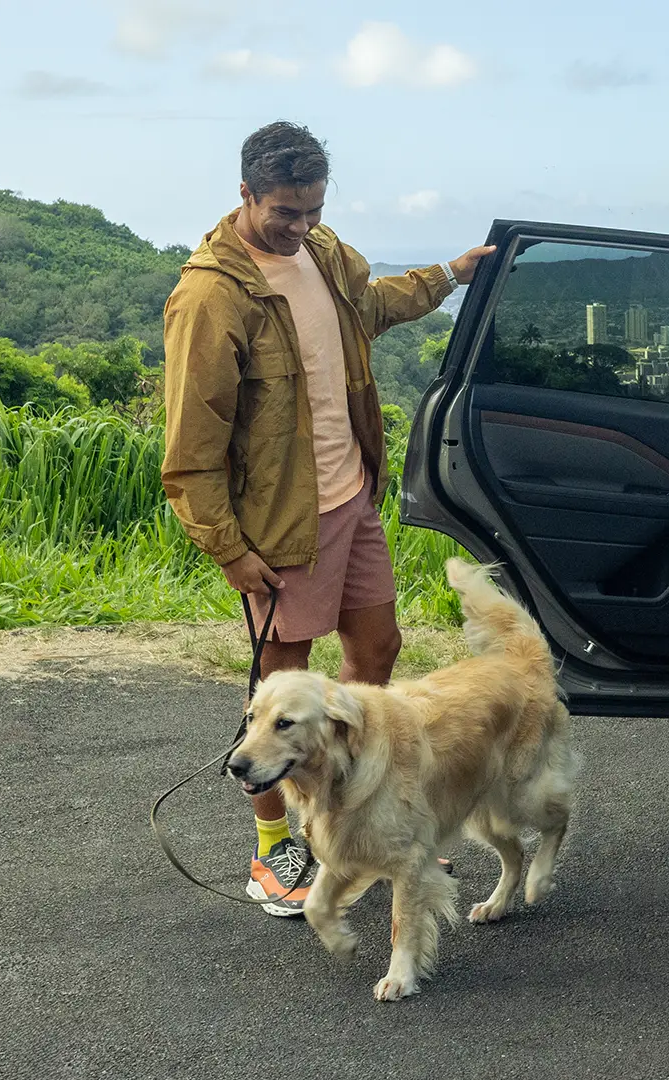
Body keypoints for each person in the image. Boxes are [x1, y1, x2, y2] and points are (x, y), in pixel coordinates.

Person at [160, 121, 493, 916]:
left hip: (351, 497)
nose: (301, 226)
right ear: (244, 193)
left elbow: (368, 309)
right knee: (279, 694)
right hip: (278, 527)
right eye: (284, 212)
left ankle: (354, 813)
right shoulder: (211, 296)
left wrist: (450, 273)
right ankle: (275, 848)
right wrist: (230, 552)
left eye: (312, 209)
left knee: (376, 652)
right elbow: (191, 447)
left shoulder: (323, 251)